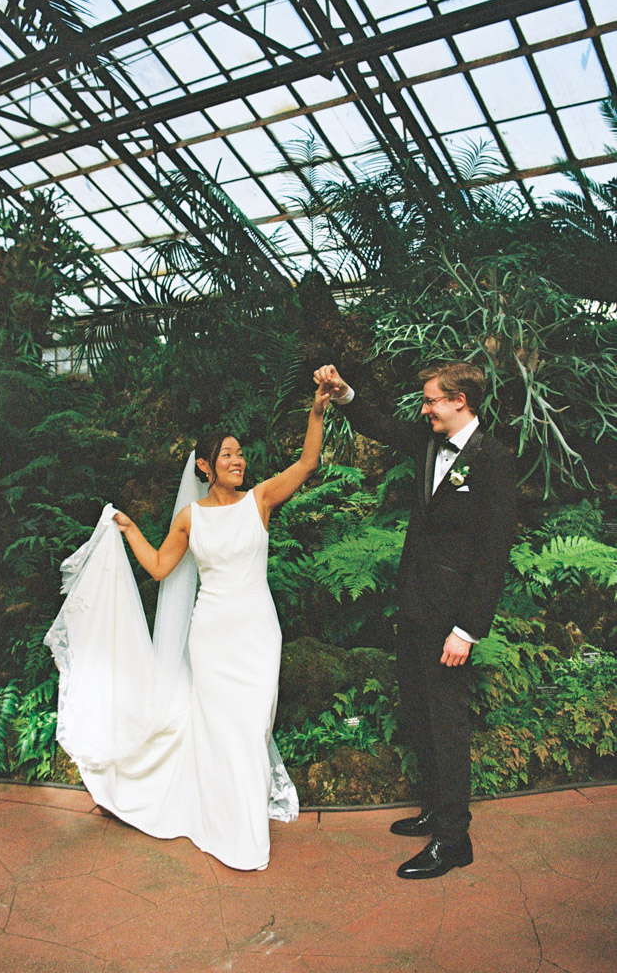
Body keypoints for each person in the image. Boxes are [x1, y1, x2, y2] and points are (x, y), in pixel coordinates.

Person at [44, 385, 329, 871]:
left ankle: (238, 817)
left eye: (240, 454)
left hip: (258, 634)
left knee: (252, 724)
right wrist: (131, 530)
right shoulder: (190, 518)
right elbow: (159, 567)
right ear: (205, 466)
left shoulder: (259, 500)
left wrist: (318, 409)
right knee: (223, 730)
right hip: (212, 637)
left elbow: (306, 463)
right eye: (227, 454)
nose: (238, 460)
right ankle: (235, 831)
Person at [314, 361, 517, 879]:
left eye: (431, 400)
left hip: (451, 621)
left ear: (460, 402)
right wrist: (342, 394)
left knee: (447, 724)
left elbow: (493, 554)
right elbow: (380, 424)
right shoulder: (429, 443)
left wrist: (467, 629)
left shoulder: (493, 461)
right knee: (421, 713)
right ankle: (434, 809)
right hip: (416, 608)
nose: (424, 408)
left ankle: (454, 840)